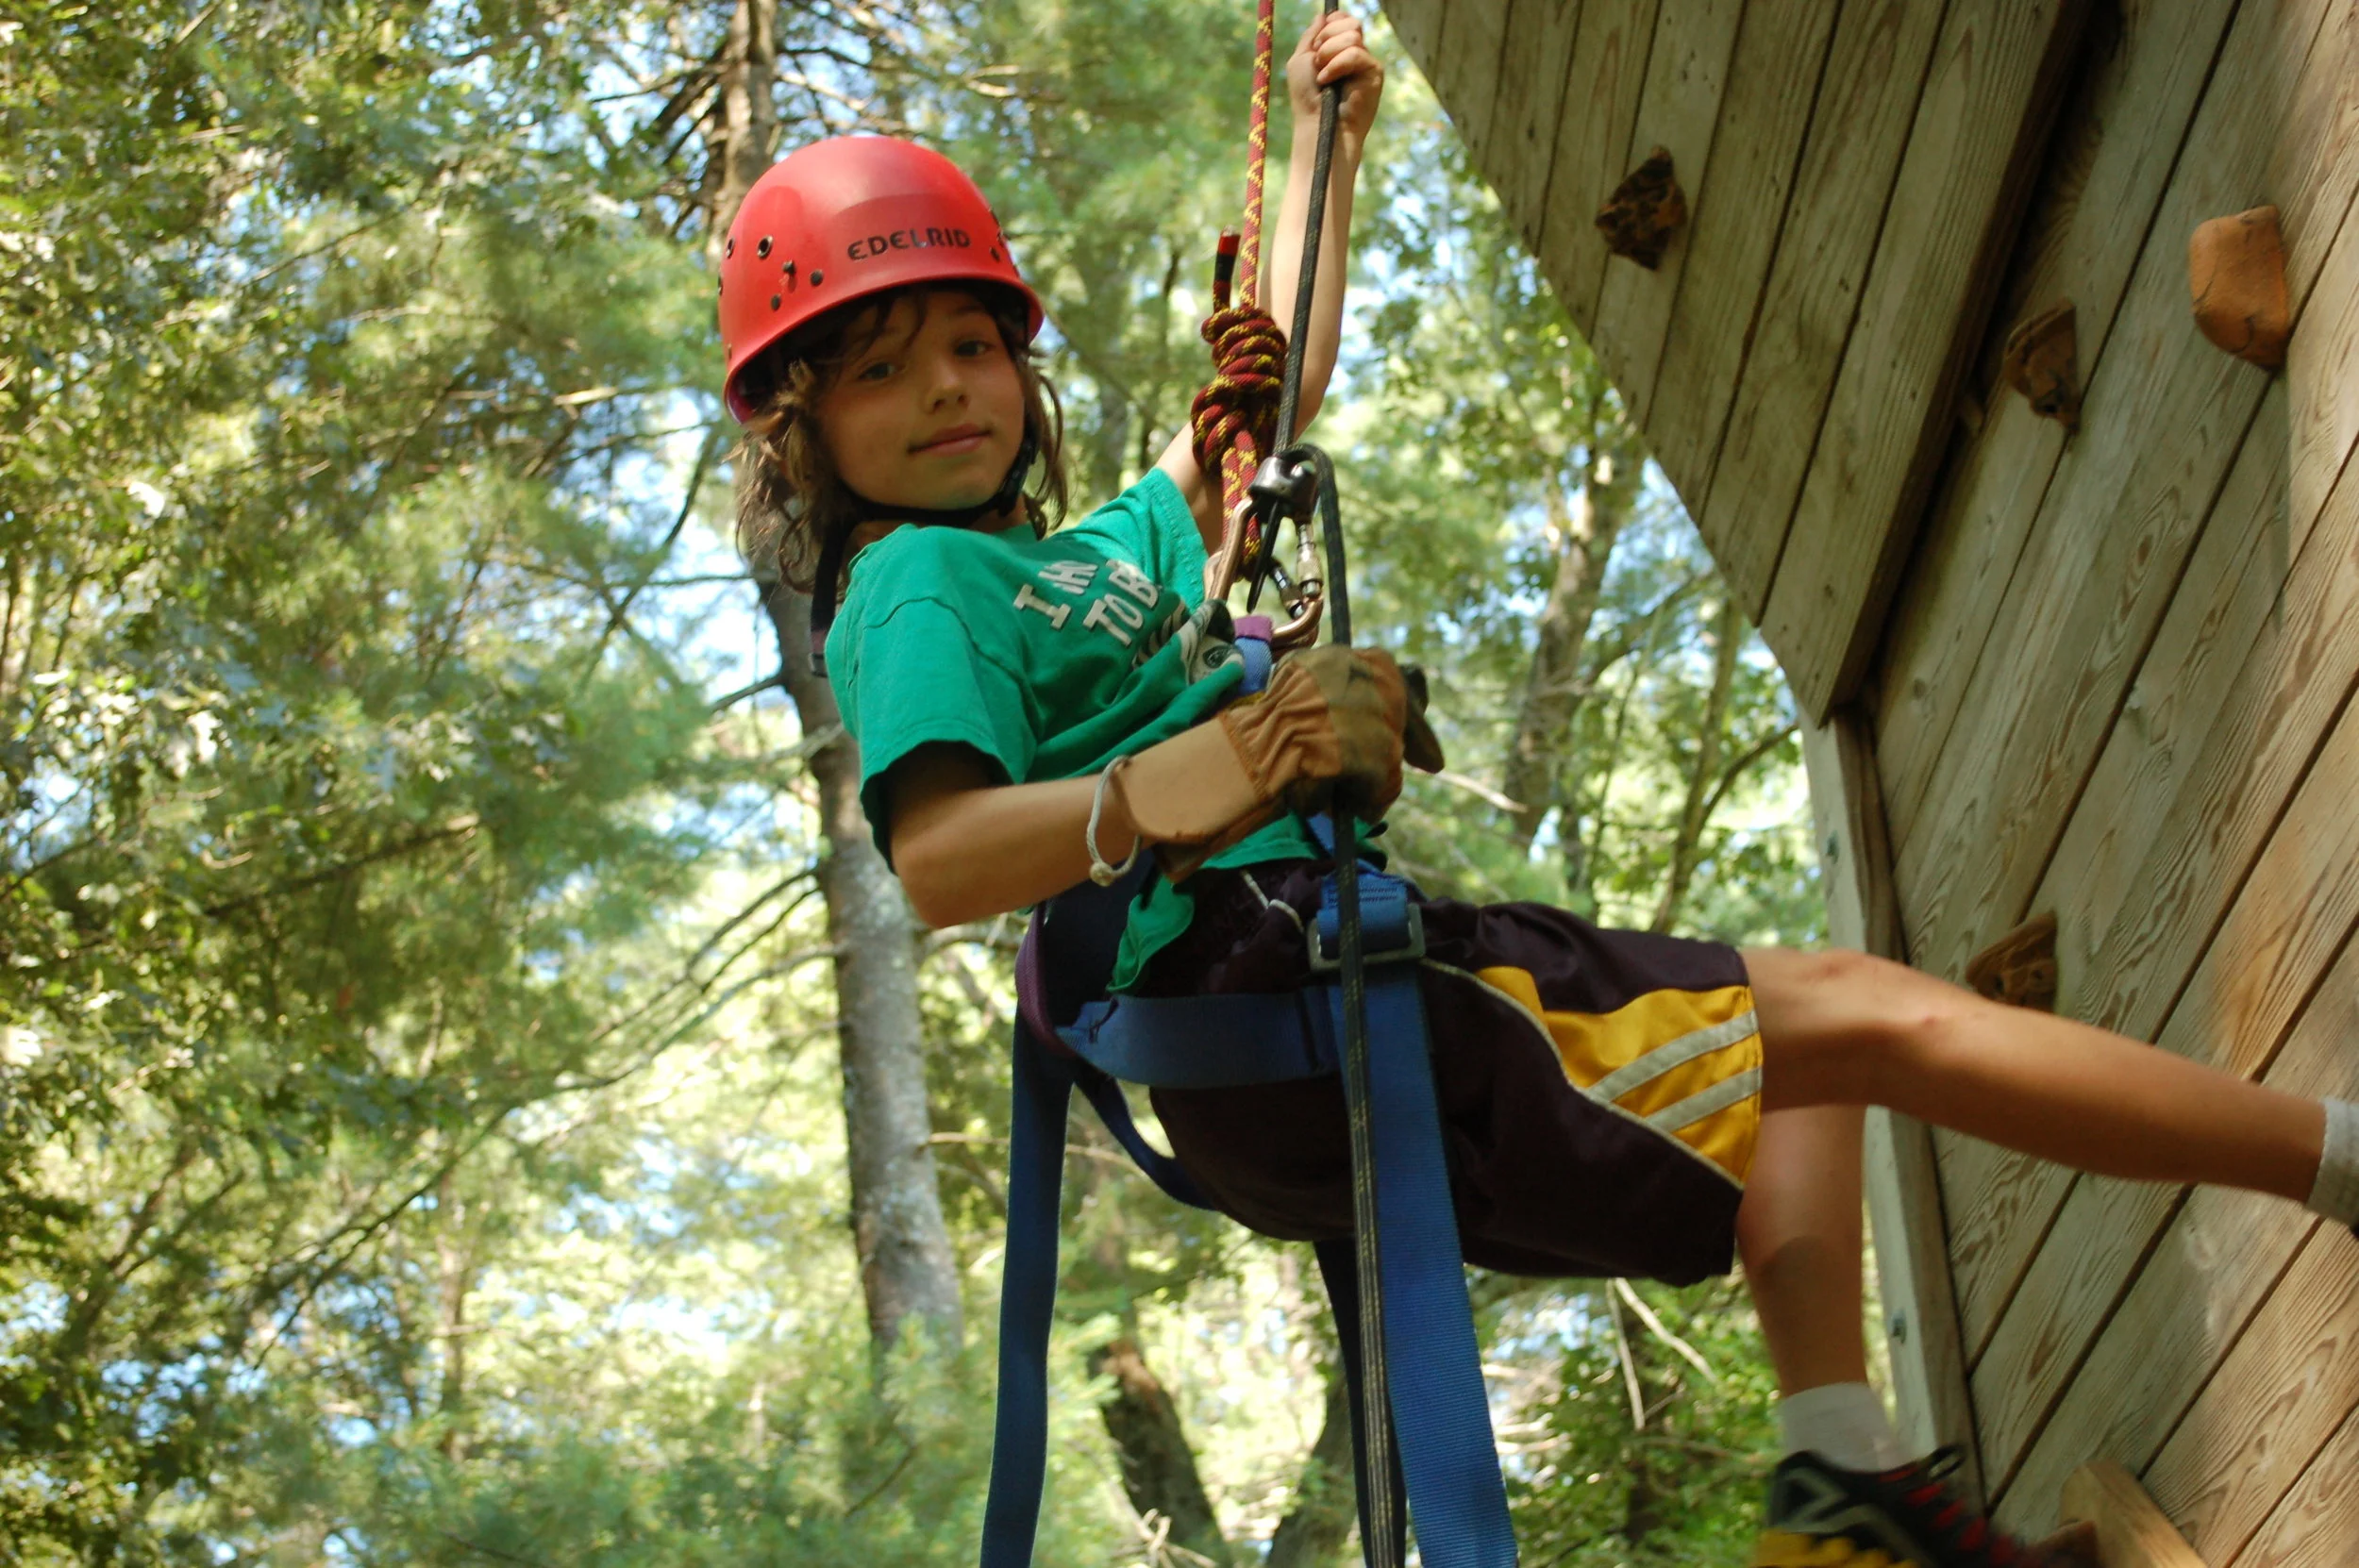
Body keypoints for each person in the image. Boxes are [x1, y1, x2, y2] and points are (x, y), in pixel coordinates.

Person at [716, 15, 2359, 1566]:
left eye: (967, 343)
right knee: (1862, 1009)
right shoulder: (920, 584)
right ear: (803, 432)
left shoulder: (1102, 556)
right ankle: (2338, 1159)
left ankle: (1846, 1485)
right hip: (1265, 984)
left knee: (1800, 1071)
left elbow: (1277, 390)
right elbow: (936, 859)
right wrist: (1192, 773)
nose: (943, 389)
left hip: (1317, 973)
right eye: (875, 371)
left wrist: (1320, 147)